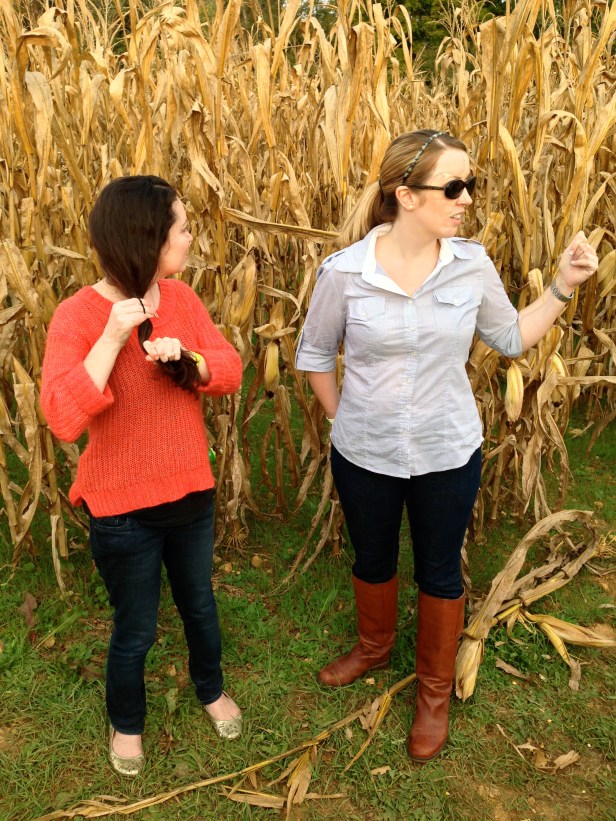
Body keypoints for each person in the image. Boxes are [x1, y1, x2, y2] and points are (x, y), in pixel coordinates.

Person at [295, 130, 598, 762]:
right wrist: (344, 419)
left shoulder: (472, 265)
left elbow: (511, 337)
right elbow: (316, 354)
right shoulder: (345, 273)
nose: (466, 199)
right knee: (371, 557)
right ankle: (374, 649)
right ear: (405, 194)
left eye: (471, 185)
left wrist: (563, 285)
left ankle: (433, 690)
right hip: (365, 452)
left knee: (439, 569)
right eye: (453, 187)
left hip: (447, 450)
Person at [41, 175, 244, 776]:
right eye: (181, 227)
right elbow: (62, 418)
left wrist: (189, 359)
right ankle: (126, 722)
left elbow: (229, 368)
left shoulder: (181, 299)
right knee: (135, 629)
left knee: (200, 607)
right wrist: (111, 337)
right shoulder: (78, 316)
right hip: (120, 510)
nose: (188, 236)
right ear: (147, 238)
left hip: (190, 495)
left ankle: (210, 689)